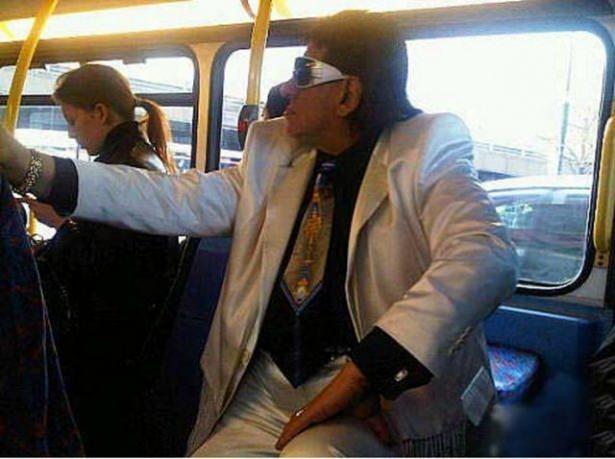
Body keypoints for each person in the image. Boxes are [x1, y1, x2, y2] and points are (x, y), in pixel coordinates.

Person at [0, 11, 518, 457]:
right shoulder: (275, 155)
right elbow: (171, 198)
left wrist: (366, 371)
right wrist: (28, 167)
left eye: (304, 72)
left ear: (348, 95)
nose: (286, 89)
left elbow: (485, 256)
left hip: (373, 395)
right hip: (269, 385)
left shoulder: (425, 150)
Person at [17, 64, 180, 456]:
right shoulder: (139, 158)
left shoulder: (121, 171)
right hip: (129, 336)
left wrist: (59, 226)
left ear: (100, 113)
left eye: (73, 121)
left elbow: (98, 265)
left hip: (107, 345)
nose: (71, 133)